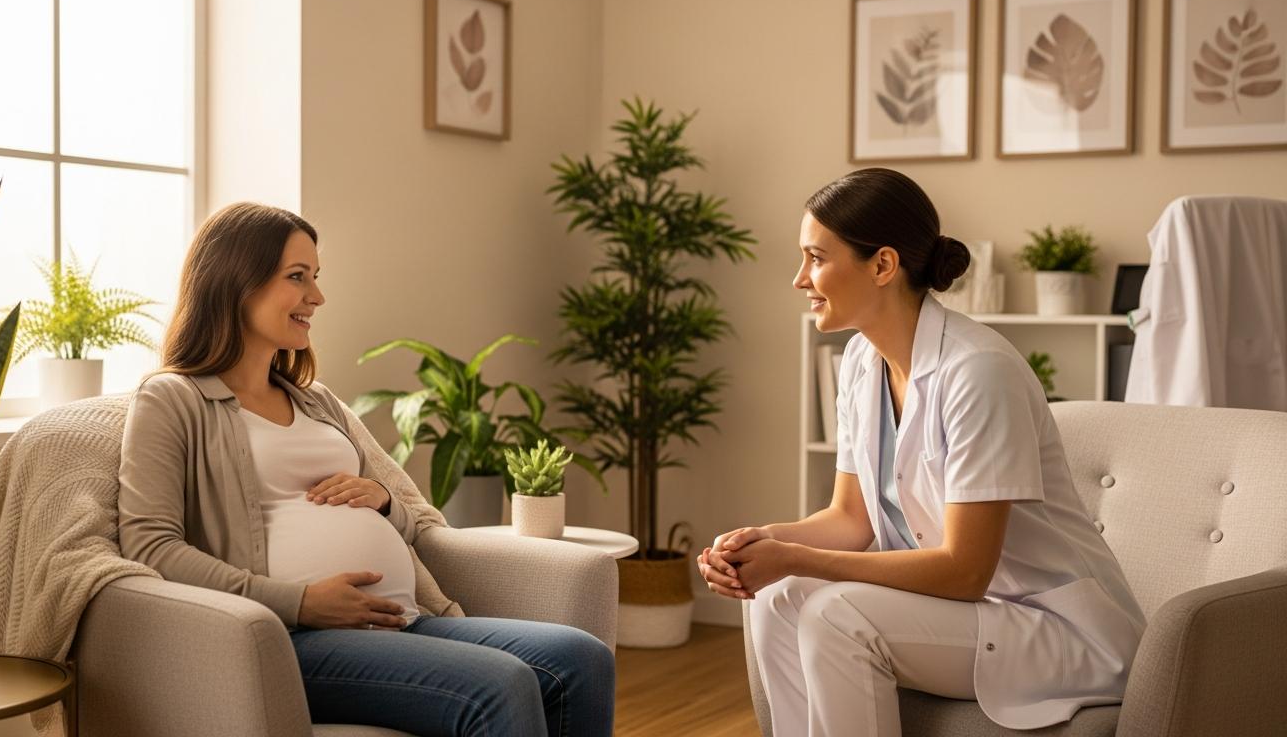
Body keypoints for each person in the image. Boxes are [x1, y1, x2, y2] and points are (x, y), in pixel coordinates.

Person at [119, 202, 614, 737]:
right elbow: (151, 547)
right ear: (236, 282)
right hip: (289, 637)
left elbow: (411, 524)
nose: (317, 296)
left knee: (581, 659)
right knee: (501, 684)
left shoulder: (316, 402)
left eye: (316, 277)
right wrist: (302, 602)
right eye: (297, 277)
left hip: (404, 620)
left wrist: (381, 499)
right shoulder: (173, 398)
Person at [698, 169, 1145, 736]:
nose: (799, 279)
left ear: (883, 265)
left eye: (816, 258)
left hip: (1055, 629)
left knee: (837, 615)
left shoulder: (979, 371)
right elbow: (850, 519)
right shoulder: (861, 361)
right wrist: (761, 543)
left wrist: (797, 558)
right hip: (972, 616)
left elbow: (965, 571)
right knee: (776, 597)